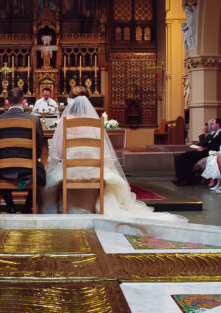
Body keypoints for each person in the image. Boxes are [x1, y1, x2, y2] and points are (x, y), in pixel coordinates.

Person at [42, 85, 186, 221]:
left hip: (70, 171)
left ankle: (65, 207)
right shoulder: (95, 122)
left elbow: (59, 153)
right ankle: (97, 206)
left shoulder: (65, 121)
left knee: (49, 175)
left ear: (70, 101)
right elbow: (101, 152)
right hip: (93, 171)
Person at [0, 87, 45, 213]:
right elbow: (39, 145)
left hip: (4, 169)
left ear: (7, 102)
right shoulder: (34, 120)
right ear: (24, 101)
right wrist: (35, 159)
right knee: (41, 173)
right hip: (28, 169)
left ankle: (10, 205)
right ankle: (27, 207)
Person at [173, 118, 221, 185]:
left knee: (185, 157)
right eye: (210, 124)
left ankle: (188, 179)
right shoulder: (214, 133)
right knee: (179, 157)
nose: (210, 126)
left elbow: (216, 147)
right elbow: (205, 143)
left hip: (209, 153)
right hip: (205, 151)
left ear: (218, 125)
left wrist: (204, 149)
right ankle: (180, 178)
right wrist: (202, 146)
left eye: (212, 124)